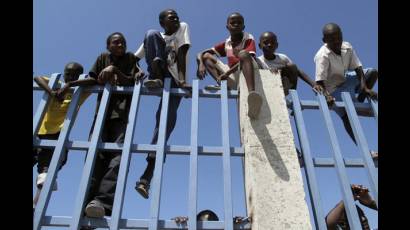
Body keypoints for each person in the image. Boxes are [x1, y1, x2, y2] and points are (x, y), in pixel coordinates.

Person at [83, 32, 144, 218]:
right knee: (95, 156)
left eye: (123, 42)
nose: (120, 45)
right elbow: (95, 79)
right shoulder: (102, 57)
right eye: (116, 42)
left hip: (122, 114)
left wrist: (114, 70)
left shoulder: (131, 59)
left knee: (117, 158)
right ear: (108, 45)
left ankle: (103, 201)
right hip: (102, 112)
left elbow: (132, 82)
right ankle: (87, 204)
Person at [134, 9, 191, 199]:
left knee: (163, 127)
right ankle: (155, 74)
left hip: (174, 80)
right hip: (157, 75)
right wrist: (137, 71)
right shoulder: (155, 35)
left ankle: (146, 178)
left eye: (176, 15)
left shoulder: (182, 28)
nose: (176, 18)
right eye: (170, 16)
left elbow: (182, 53)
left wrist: (182, 80)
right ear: (162, 21)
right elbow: (134, 59)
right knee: (149, 34)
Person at [33, 62, 89, 207]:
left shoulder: (80, 90)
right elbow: (37, 78)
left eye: (74, 74)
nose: (69, 76)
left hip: (58, 133)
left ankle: (36, 204)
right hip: (40, 130)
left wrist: (70, 84)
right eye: (67, 73)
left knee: (46, 174)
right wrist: (52, 92)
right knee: (46, 171)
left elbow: (95, 81)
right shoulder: (55, 83)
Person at [314, 23, 378, 144]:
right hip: (333, 89)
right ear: (325, 40)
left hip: (346, 79)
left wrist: (365, 88)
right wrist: (327, 96)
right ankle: (364, 148)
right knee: (347, 116)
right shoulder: (322, 56)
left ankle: (358, 102)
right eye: (332, 39)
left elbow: (358, 68)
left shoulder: (347, 46)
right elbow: (319, 82)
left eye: (339, 37)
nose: (337, 41)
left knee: (373, 73)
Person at [196, 12, 262, 119]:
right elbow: (201, 53)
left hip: (247, 69)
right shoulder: (227, 43)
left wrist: (227, 73)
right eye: (233, 23)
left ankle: (252, 95)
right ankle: (223, 85)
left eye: (239, 23)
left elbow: (250, 57)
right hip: (233, 75)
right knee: (207, 56)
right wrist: (200, 64)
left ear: (243, 26)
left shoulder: (248, 37)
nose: (236, 24)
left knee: (243, 54)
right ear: (227, 27)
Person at [257, 31, 320, 97]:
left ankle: (291, 92)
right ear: (260, 46)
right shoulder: (259, 61)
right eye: (266, 43)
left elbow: (297, 71)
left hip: (284, 84)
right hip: (269, 86)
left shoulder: (283, 58)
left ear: (277, 45)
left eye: (272, 43)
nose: (269, 45)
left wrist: (314, 84)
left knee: (291, 66)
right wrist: (271, 73)